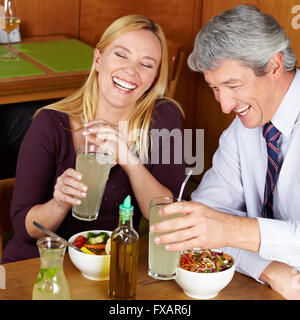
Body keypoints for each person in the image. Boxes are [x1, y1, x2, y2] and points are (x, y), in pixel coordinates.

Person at [1, 15, 188, 263]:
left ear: (154, 77)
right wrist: (59, 203)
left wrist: (129, 160)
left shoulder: (164, 118)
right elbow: (26, 231)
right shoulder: (49, 124)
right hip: (41, 263)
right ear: (98, 59)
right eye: (121, 55)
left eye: (146, 64)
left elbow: (169, 223)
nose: (131, 71)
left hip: (108, 265)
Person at [150, 5, 300, 299]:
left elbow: (220, 228)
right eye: (215, 88)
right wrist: (267, 268)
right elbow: (204, 224)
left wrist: (232, 231)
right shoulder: (242, 129)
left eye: (232, 85)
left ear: (274, 66)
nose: (225, 105)